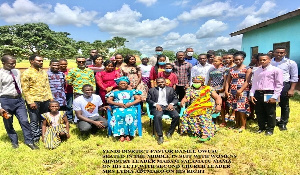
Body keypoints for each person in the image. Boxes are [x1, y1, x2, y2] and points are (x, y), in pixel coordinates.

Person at [0, 55, 39, 150]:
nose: (13, 65)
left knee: (25, 121)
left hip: (19, 100)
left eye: (14, 63)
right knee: (8, 122)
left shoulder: (16, 72)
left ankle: (29, 142)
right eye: (11, 64)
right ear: (3, 63)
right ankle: (14, 142)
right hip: (5, 101)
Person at [21, 55, 53, 143]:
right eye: (39, 61)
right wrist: (30, 102)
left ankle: (43, 134)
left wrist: (50, 98)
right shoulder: (26, 73)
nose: (41, 62)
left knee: (44, 119)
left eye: (42, 61)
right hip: (34, 100)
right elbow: (25, 89)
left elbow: (47, 86)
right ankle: (35, 139)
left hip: (45, 99)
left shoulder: (43, 72)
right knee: (34, 120)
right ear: (31, 61)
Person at [250, 54, 283, 135]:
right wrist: (251, 94)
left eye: (264, 60)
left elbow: (279, 84)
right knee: (259, 111)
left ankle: (270, 129)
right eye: (260, 60)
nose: (262, 61)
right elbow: (254, 83)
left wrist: (275, 96)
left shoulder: (276, 70)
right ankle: (261, 127)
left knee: (270, 112)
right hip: (258, 93)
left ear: (269, 60)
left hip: (270, 92)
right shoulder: (257, 71)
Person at [180, 76, 222, 141]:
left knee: (203, 115)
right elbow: (186, 97)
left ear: (202, 82)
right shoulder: (190, 89)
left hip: (206, 106)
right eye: (194, 82)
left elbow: (217, 97)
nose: (195, 83)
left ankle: (205, 134)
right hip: (194, 107)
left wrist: (218, 105)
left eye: (197, 82)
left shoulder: (208, 88)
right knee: (186, 113)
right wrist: (183, 101)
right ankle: (195, 132)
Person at [106, 76, 142, 142]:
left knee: (130, 115)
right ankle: (121, 135)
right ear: (118, 84)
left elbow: (139, 99)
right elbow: (109, 101)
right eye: (121, 83)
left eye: (125, 83)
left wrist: (129, 104)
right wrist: (118, 104)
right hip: (118, 107)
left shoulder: (131, 91)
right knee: (118, 116)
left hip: (130, 107)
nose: (123, 85)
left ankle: (129, 134)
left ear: (127, 84)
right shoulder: (114, 92)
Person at [271, 46, 298, 130]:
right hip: (271, 86)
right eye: (277, 52)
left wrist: (292, 89)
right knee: (271, 104)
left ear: (285, 53)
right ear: (274, 53)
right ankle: (272, 121)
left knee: (284, 104)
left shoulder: (291, 63)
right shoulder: (270, 62)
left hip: (284, 85)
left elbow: (294, 77)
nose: (279, 54)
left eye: (281, 53)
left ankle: (283, 123)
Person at [146, 77, 180, 145]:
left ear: (165, 82)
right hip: (158, 107)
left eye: (162, 82)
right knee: (158, 116)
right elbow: (148, 100)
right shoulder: (152, 90)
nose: (161, 83)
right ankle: (160, 136)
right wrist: (155, 104)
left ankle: (170, 132)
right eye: (159, 82)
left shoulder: (171, 89)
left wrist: (171, 104)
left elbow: (176, 99)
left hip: (168, 106)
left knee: (176, 116)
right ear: (156, 83)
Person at [225, 51, 252, 132]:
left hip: (242, 90)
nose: (237, 61)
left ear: (243, 59)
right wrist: (226, 90)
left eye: (239, 59)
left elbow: (247, 81)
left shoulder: (247, 69)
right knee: (235, 107)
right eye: (236, 60)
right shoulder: (231, 69)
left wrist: (240, 90)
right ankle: (236, 124)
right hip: (232, 89)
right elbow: (227, 81)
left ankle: (243, 126)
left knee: (241, 108)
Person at [208, 56, 227, 126]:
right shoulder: (211, 70)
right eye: (213, 61)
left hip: (221, 89)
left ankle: (223, 120)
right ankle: (215, 118)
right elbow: (210, 80)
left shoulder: (224, 69)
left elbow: (225, 80)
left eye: (216, 61)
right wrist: (208, 87)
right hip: (213, 89)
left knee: (221, 105)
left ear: (221, 62)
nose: (214, 63)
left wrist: (223, 88)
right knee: (213, 104)